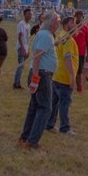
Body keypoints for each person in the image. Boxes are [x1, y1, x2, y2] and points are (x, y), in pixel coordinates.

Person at [18, 11, 59, 149]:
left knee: (34, 107)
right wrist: (35, 78)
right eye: (57, 21)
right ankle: (32, 141)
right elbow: (36, 57)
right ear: (51, 22)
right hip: (42, 75)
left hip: (40, 74)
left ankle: (25, 138)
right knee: (45, 108)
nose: (58, 23)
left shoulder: (46, 35)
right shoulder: (45, 35)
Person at [47, 14, 78, 134]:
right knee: (64, 103)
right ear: (66, 25)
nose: (75, 25)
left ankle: (49, 124)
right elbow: (67, 59)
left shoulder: (61, 35)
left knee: (54, 102)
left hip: (57, 74)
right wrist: (72, 77)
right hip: (64, 76)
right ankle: (64, 127)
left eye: (76, 23)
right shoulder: (67, 39)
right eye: (72, 23)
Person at [13, 7, 33, 89]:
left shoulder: (28, 25)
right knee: (20, 66)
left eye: (31, 14)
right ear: (24, 15)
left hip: (25, 48)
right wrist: (23, 49)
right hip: (21, 48)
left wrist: (27, 50)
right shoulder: (21, 24)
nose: (30, 15)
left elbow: (27, 39)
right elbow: (20, 37)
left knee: (22, 66)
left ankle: (17, 82)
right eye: (28, 14)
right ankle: (16, 83)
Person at [72, 10, 88, 92]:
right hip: (71, 52)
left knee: (79, 71)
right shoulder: (71, 27)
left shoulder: (85, 28)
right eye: (77, 16)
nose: (79, 18)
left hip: (81, 52)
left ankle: (79, 87)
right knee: (71, 69)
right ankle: (70, 85)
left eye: (80, 16)